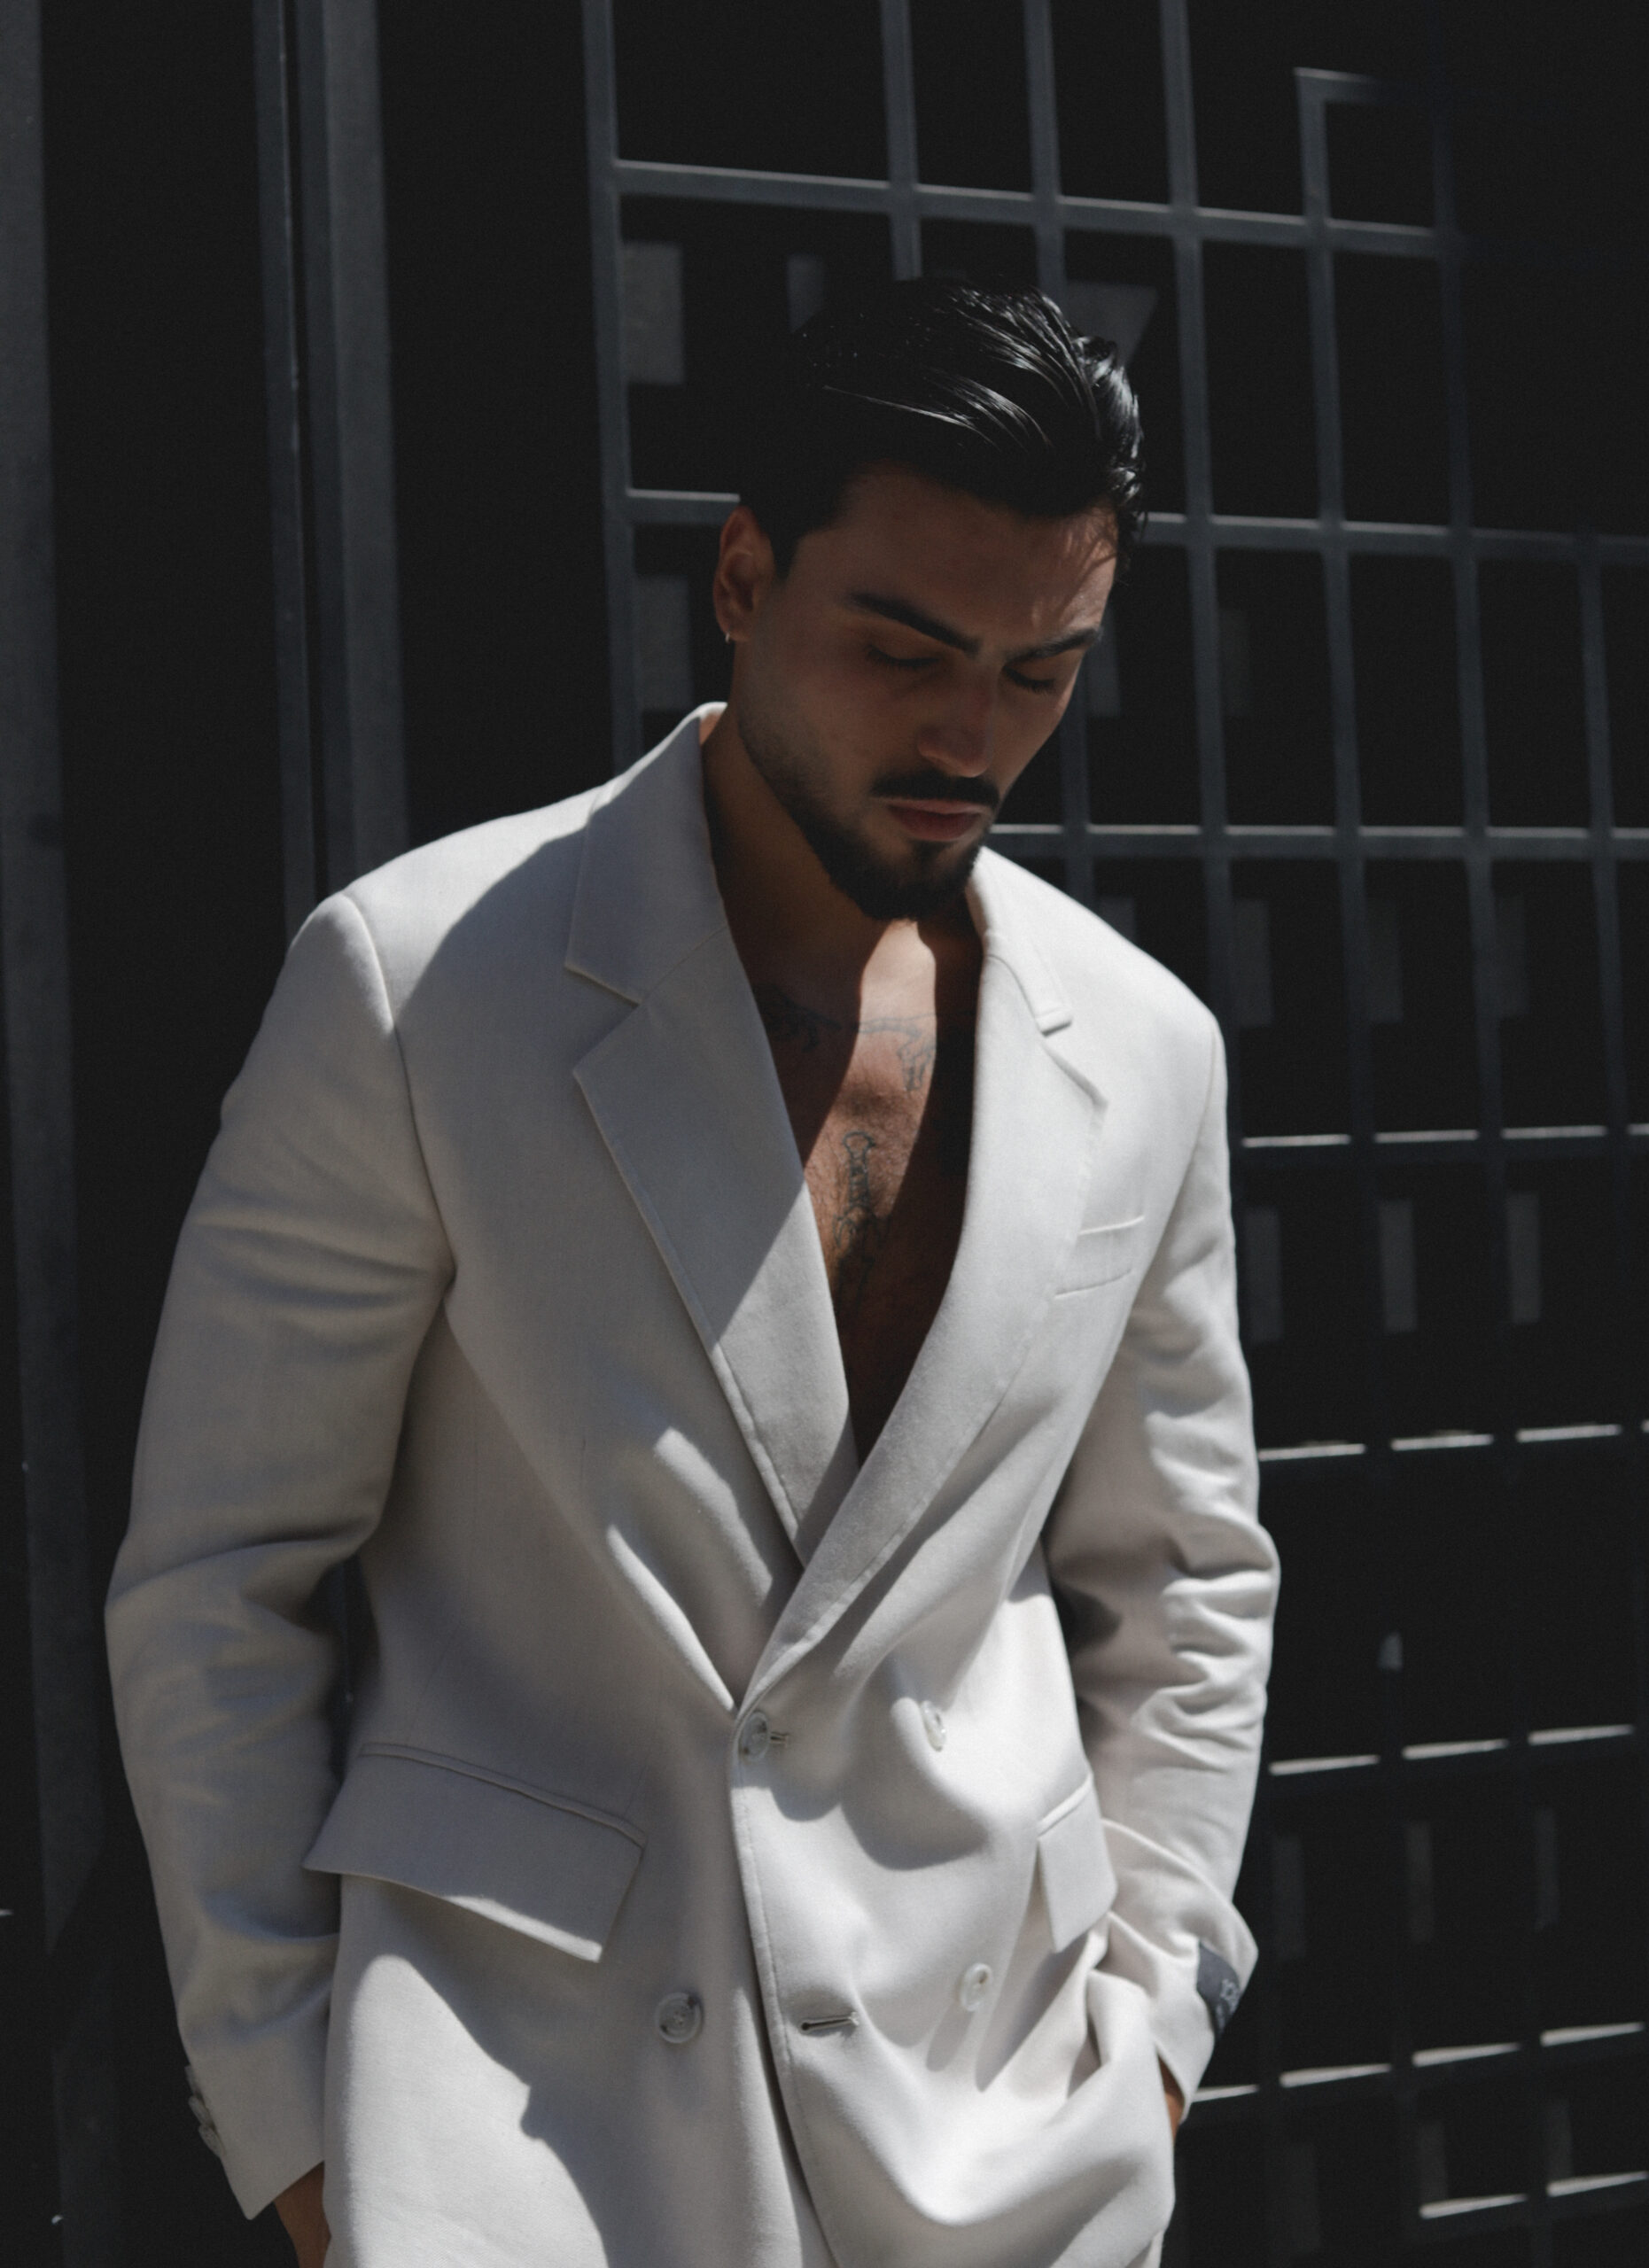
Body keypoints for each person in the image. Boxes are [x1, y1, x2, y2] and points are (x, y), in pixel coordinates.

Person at [108, 278, 1276, 2268]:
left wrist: (1152, 2032)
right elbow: (219, 1578)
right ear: (742, 576)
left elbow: (1185, 1580)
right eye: (902, 648)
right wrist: (302, 2133)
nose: (969, 733)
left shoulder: (1143, 1043)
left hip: (1008, 2132)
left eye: (1040, 668)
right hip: (521, 2138)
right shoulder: (421, 983)